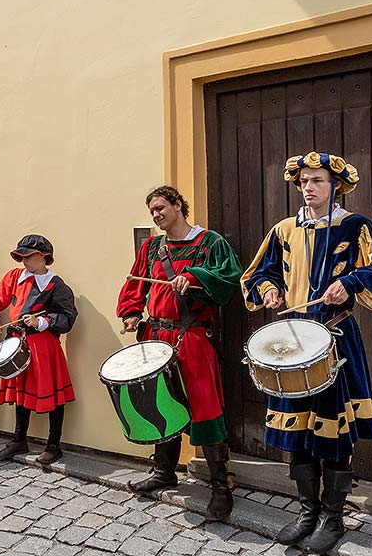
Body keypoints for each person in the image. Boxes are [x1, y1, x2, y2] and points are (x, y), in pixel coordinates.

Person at [241, 152, 372, 553]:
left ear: (336, 185)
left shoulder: (357, 228)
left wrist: (351, 282)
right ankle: (307, 513)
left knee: (332, 435)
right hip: (292, 339)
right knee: (298, 434)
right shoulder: (283, 230)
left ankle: (333, 520)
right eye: (303, 181)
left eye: (316, 180)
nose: (308, 187)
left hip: (334, 340)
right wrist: (268, 289)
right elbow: (257, 273)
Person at [118, 186, 243, 522]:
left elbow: (230, 280)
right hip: (155, 337)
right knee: (162, 403)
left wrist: (194, 277)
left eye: (161, 208)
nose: (156, 215)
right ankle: (164, 472)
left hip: (192, 337)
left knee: (205, 406)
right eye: (152, 211)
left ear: (177, 205)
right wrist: (131, 312)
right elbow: (134, 286)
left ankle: (220, 486)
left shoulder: (210, 243)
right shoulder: (152, 246)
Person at [0, 235, 77, 464]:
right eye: (21, 257)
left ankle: (54, 445)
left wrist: (41, 322)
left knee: (52, 395)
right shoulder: (15, 277)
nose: (23, 262)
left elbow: (67, 317)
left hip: (43, 345)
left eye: (28, 257)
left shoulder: (56, 285)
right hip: (16, 341)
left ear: (43, 256)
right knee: (21, 392)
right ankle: (19, 439)